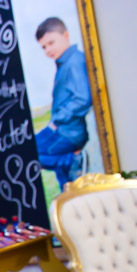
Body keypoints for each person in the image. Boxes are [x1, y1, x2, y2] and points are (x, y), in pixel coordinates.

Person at [34, 17, 92, 190]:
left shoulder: (74, 62)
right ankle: (69, 177)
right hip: (64, 129)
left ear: (66, 36)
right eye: (44, 47)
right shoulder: (65, 63)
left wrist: (58, 119)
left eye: (51, 43)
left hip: (68, 131)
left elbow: (83, 99)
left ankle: (72, 160)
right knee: (68, 187)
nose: (48, 50)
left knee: (29, 152)